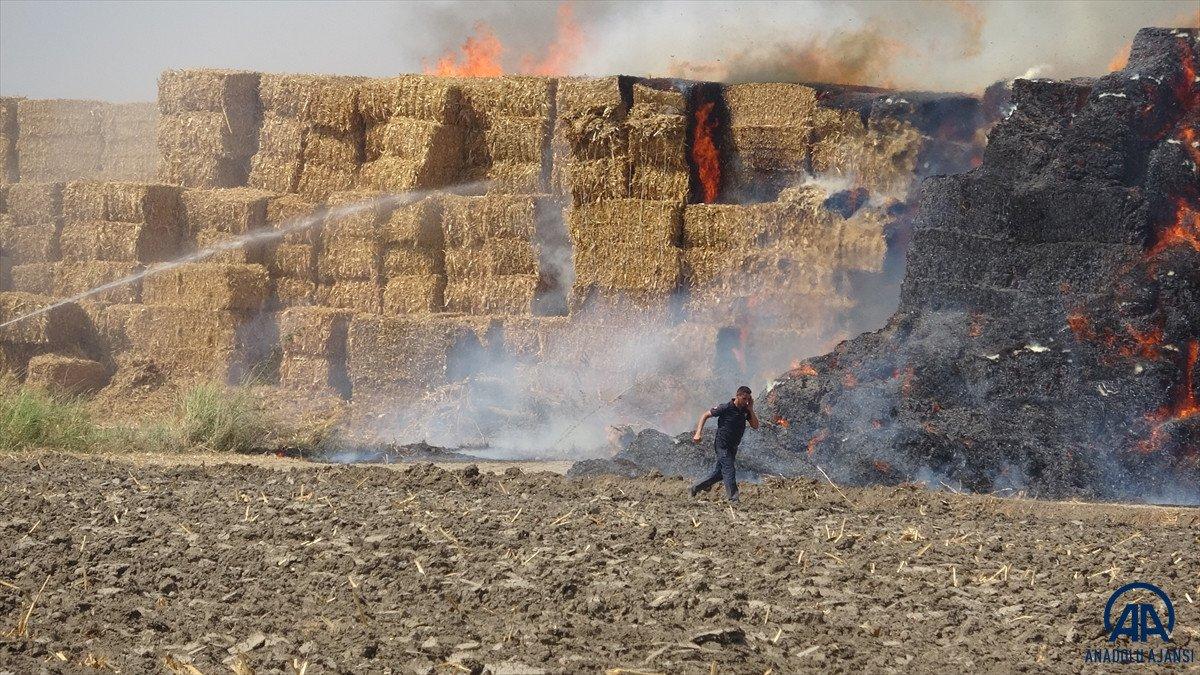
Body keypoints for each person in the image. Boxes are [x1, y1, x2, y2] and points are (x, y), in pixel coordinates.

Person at [689, 385, 759, 502]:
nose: (746, 401)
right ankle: (734, 499)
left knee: (719, 474)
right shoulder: (726, 408)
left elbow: (755, 426)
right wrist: (698, 433)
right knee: (729, 469)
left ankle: (695, 488)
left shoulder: (746, 411)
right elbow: (705, 415)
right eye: (744, 398)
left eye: (748, 399)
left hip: (733, 447)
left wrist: (751, 409)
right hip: (722, 445)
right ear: (737, 396)